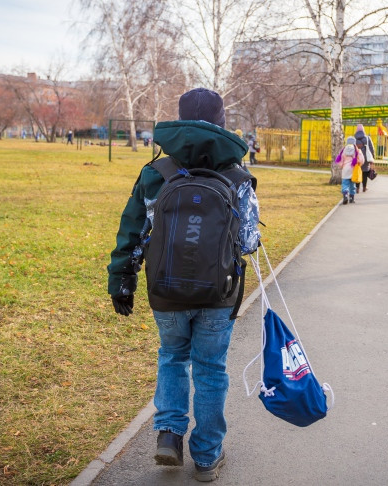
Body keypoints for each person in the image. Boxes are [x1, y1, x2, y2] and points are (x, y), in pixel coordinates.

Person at [107, 88, 260, 482]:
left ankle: (169, 436)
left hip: (165, 290)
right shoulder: (238, 177)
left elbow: (133, 229)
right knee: (210, 369)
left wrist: (122, 278)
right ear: (222, 123)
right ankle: (207, 457)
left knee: (172, 357)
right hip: (218, 293)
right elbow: (247, 241)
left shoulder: (155, 173)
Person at [334, 135, 364, 204]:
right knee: (352, 184)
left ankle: (345, 195)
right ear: (354, 143)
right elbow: (361, 160)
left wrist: (342, 166)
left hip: (345, 169)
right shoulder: (357, 151)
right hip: (353, 169)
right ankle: (351, 197)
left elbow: (340, 161)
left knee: (345, 184)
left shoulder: (343, 150)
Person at [353, 124, 375, 192]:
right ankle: (364, 187)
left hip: (358, 158)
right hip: (366, 158)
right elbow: (371, 148)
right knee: (365, 173)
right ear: (363, 130)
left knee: (358, 172)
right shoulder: (367, 138)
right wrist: (372, 157)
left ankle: (357, 188)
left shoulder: (354, 138)